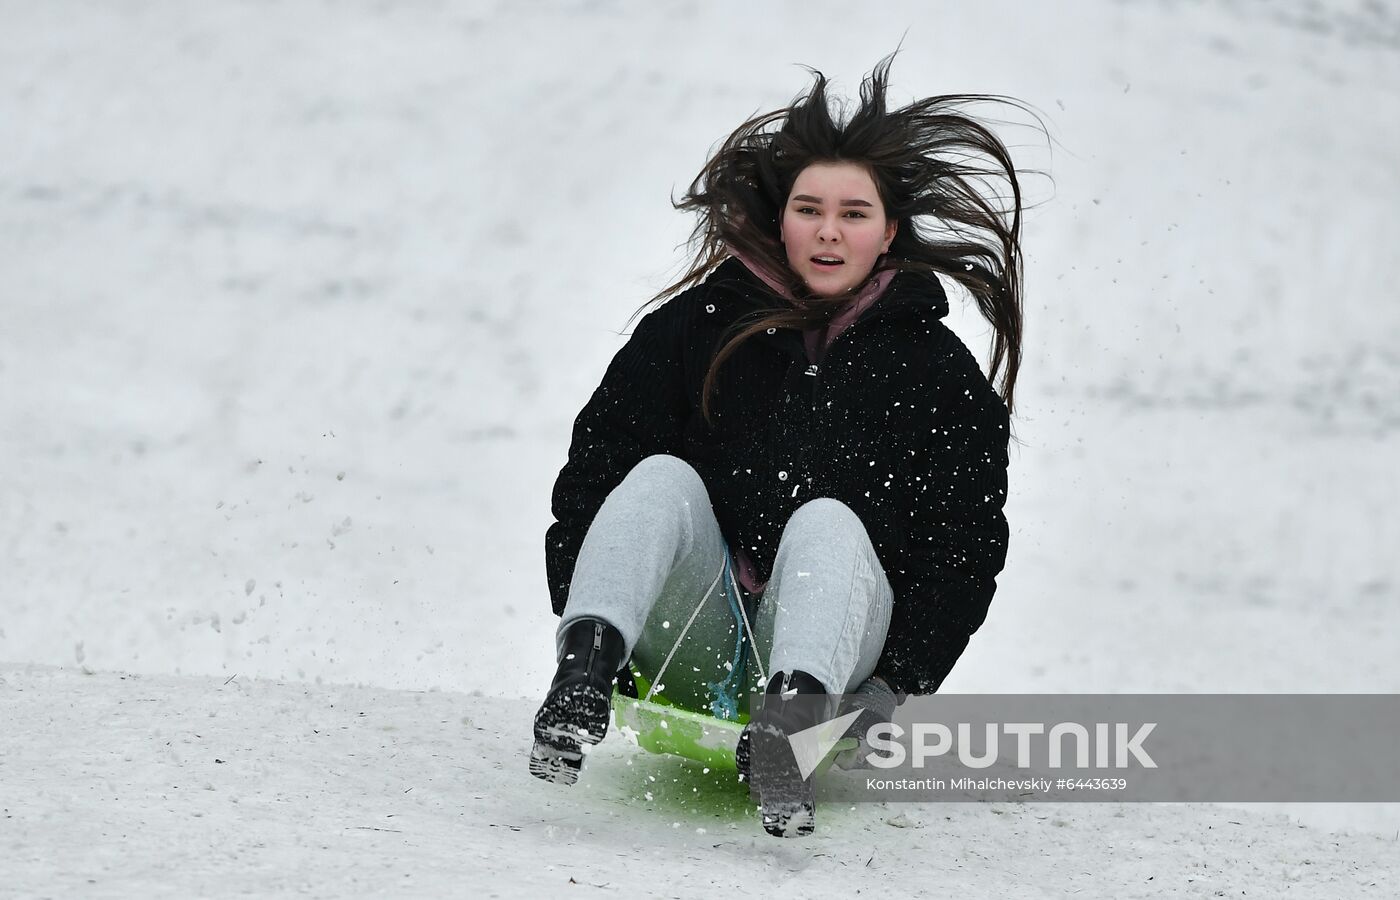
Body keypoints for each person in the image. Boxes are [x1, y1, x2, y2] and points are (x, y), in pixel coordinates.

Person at [529, 51, 1029, 838]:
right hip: (692, 635)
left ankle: (786, 740)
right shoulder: (698, 325)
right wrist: (580, 602)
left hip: (831, 657)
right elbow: (598, 466)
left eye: (854, 214)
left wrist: (894, 687)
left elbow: (963, 544)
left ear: (889, 231)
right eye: (809, 209)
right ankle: (582, 672)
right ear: (781, 218)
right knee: (658, 475)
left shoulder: (933, 369)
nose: (829, 232)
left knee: (829, 522)